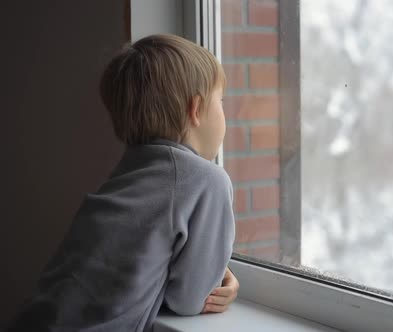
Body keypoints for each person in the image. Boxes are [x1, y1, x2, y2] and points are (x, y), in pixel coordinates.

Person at [5, 34, 239, 332]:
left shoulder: (133, 167)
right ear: (196, 109)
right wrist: (218, 279)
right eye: (221, 101)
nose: (224, 114)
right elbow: (189, 300)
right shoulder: (207, 179)